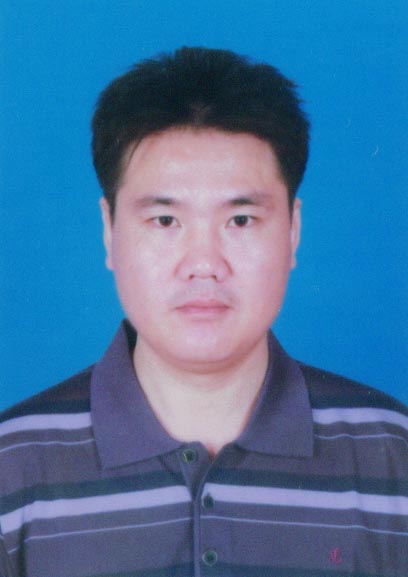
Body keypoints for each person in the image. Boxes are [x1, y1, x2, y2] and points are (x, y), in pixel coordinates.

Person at [0, 47, 407, 577]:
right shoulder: (12, 465)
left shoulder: (392, 458)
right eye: (165, 220)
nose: (204, 265)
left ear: (292, 230)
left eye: (241, 220)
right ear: (109, 230)